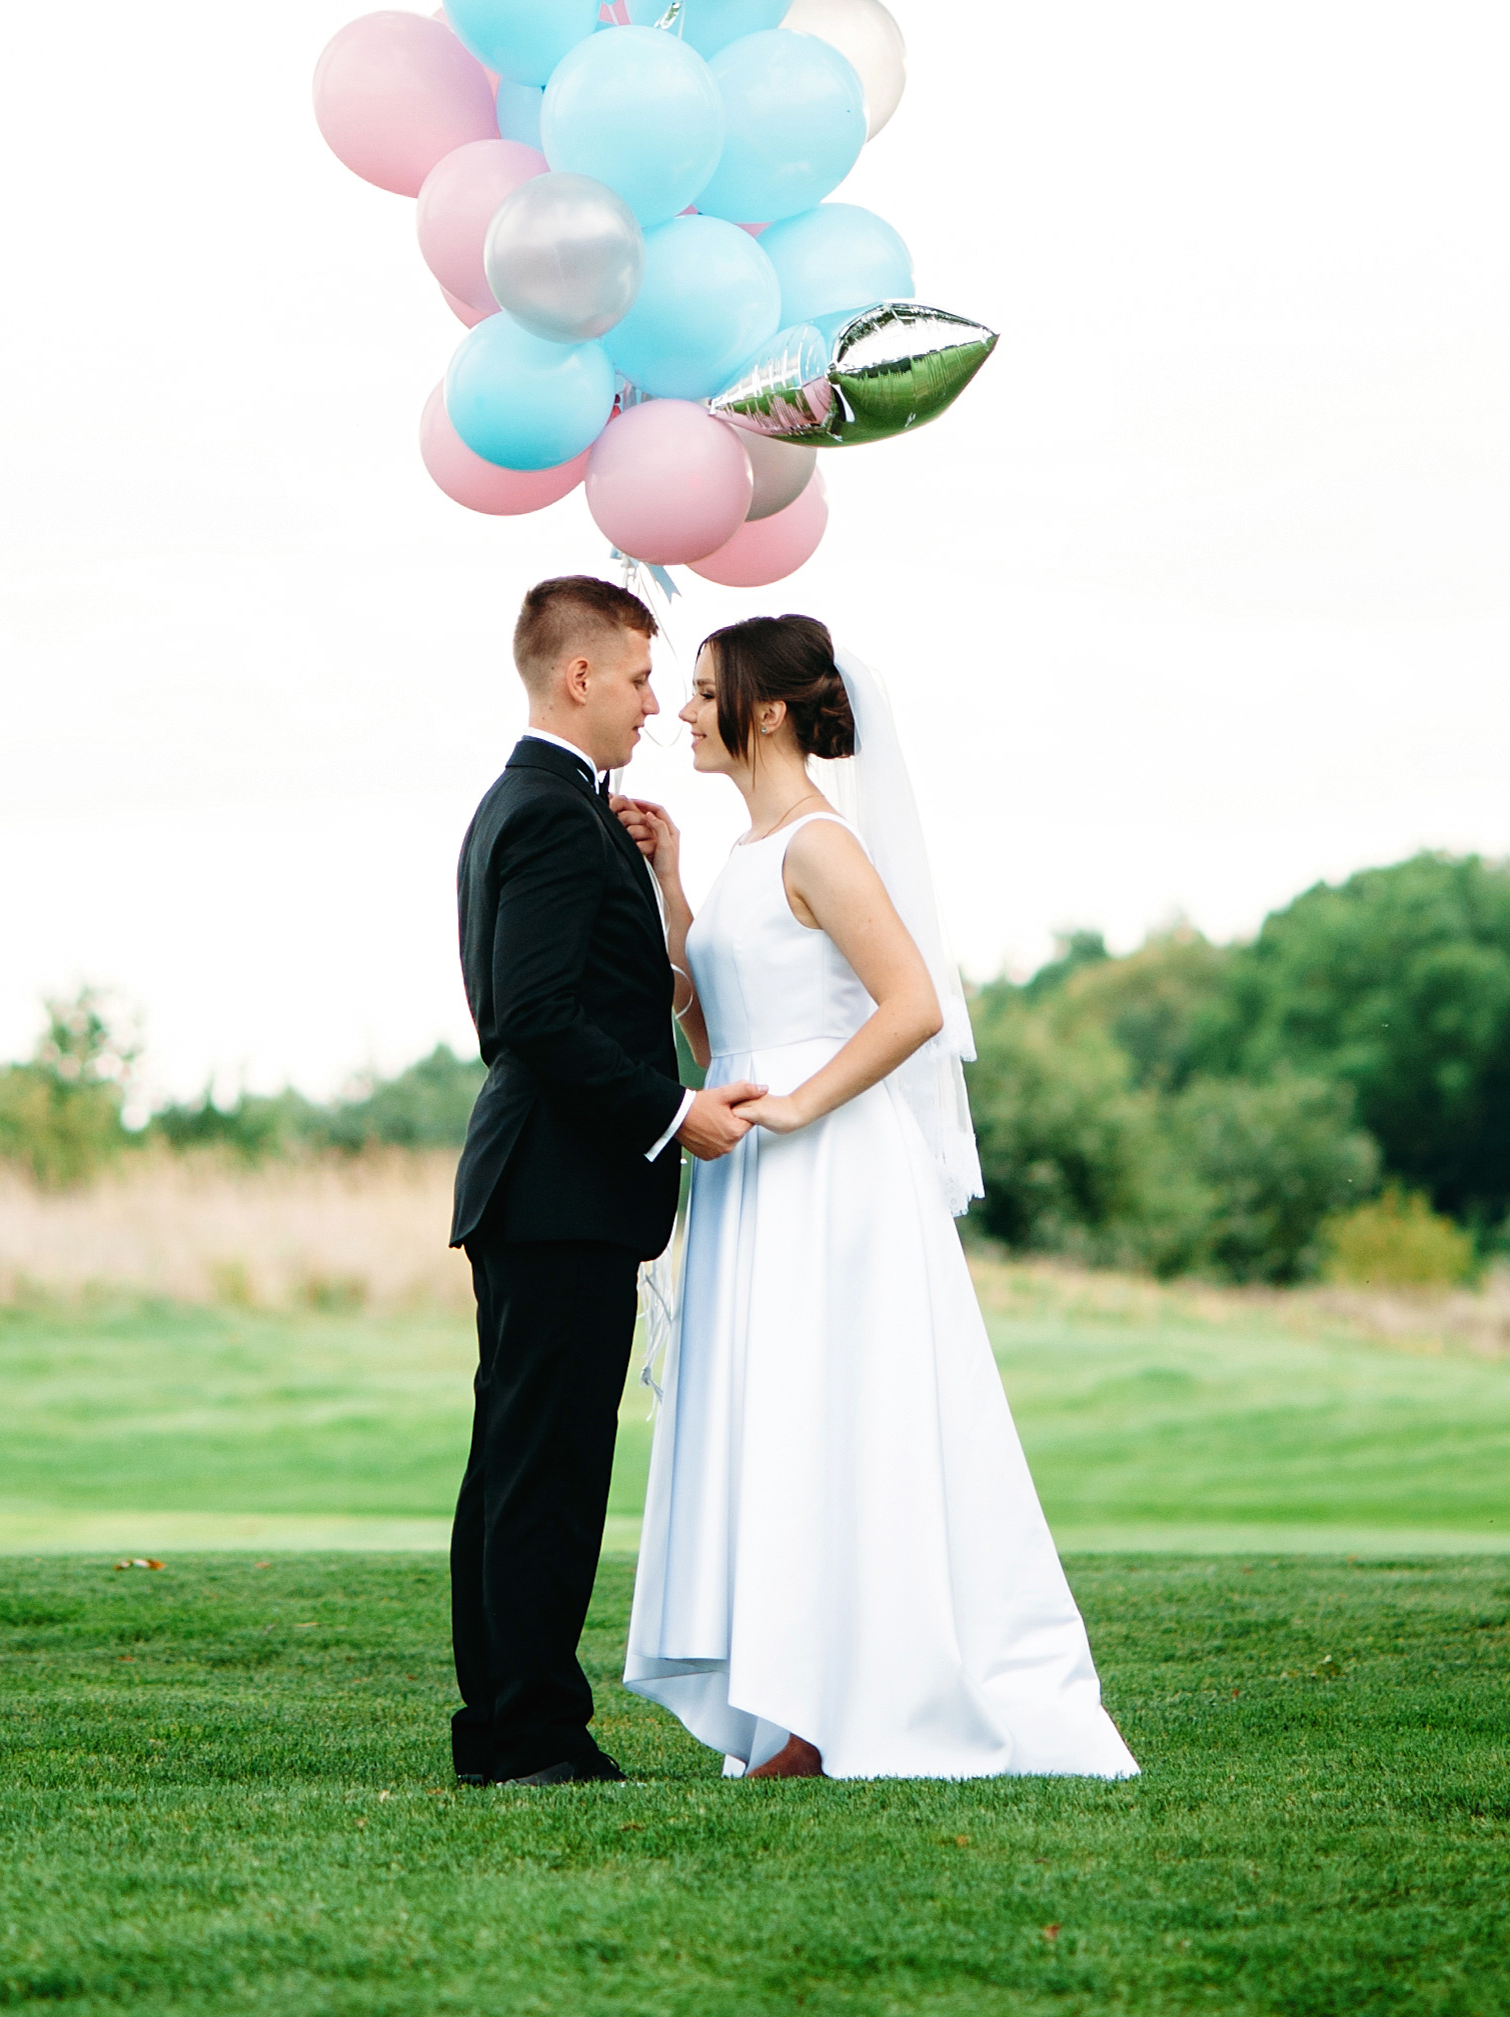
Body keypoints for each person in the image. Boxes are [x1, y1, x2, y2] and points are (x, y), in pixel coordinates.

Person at [614, 614, 1138, 1784]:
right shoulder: (753, 850)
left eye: (704, 692)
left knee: (832, 1419)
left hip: (832, 1178)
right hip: (756, 1184)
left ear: (768, 708)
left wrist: (800, 1107)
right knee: (778, 1420)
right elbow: (718, 1026)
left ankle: (828, 1715)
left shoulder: (821, 844)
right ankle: (795, 1701)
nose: (686, 712)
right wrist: (669, 881)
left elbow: (914, 1005)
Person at [447, 572, 764, 1788]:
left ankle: (510, 1725)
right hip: (556, 1189)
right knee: (545, 1472)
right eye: (639, 677)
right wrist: (672, 1109)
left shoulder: (557, 807)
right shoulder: (542, 810)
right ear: (578, 675)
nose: (651, 703)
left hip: (552, 1193)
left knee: (524, 1464)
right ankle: (527, 1733)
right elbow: (528, 1015)